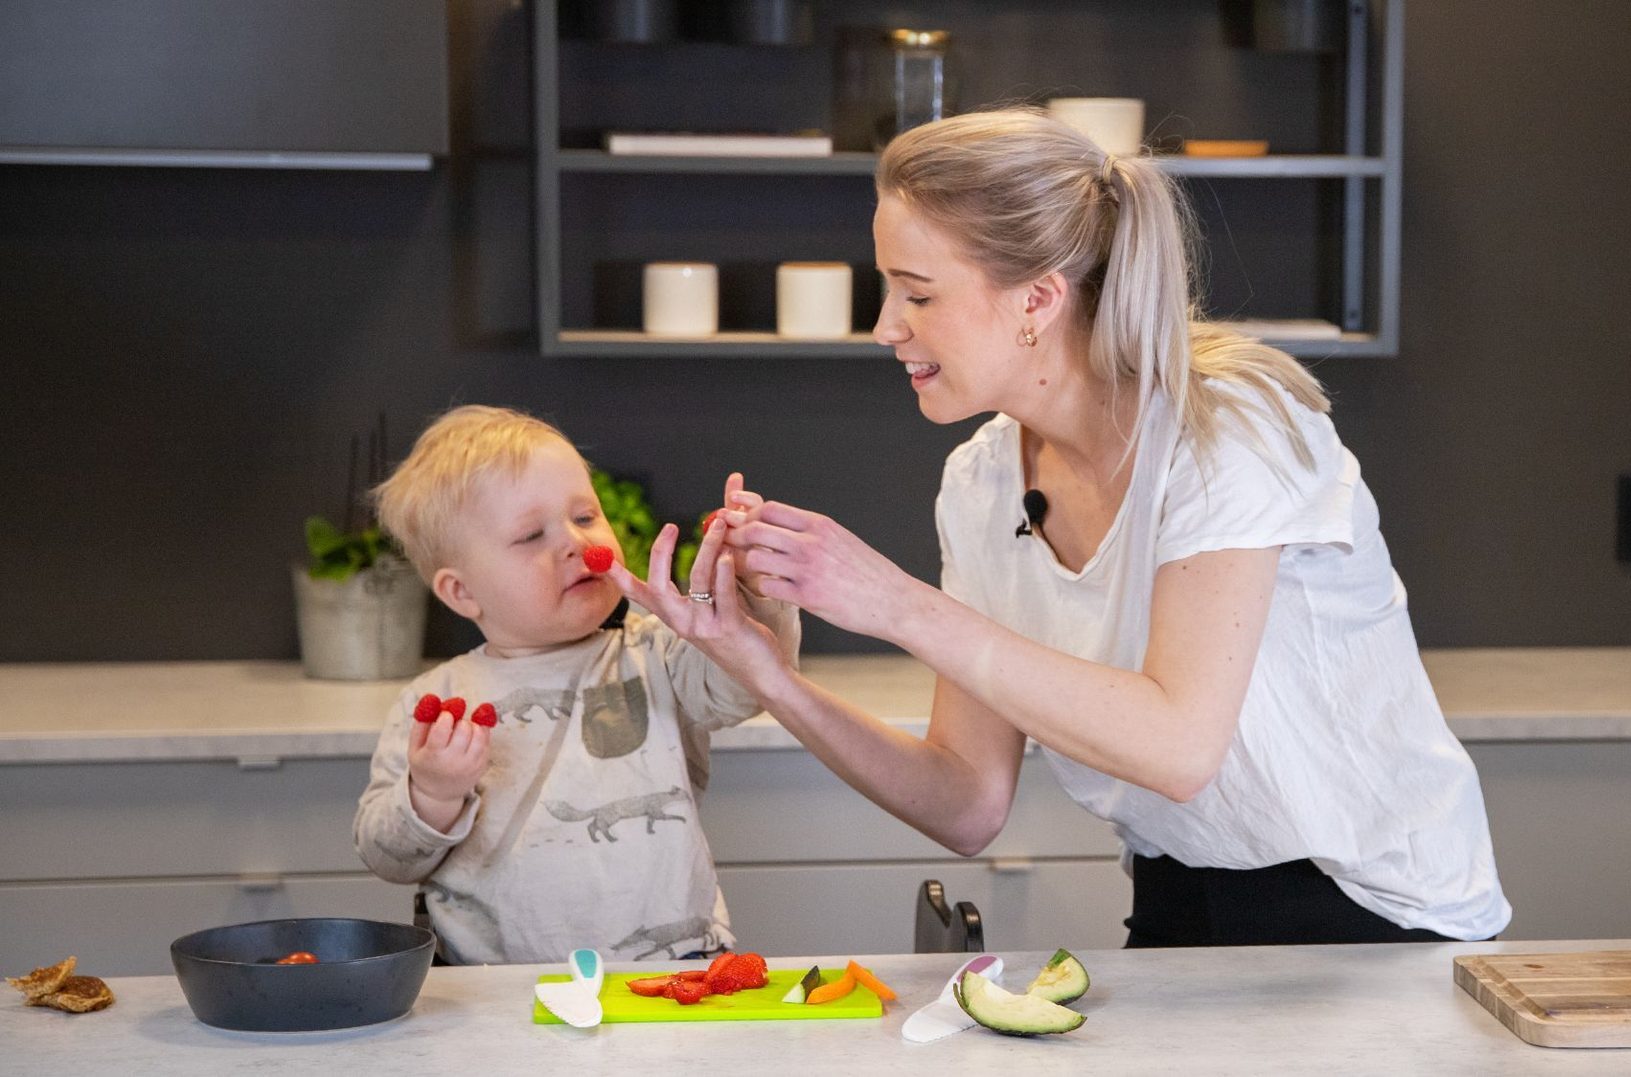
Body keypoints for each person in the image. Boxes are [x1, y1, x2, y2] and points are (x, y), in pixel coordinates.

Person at [628, 109, 1510, 946]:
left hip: (1377, 910)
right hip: (1177, 888)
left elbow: (1177, 747)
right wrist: (769, 676)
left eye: (917, 293)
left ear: (1037, 300)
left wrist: (893, 603)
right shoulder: (981, 482)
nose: (885, 326)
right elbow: (965, 800)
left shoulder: (1227, 427)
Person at [352, 405, 799, 964]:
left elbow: (750, 683)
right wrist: (432, 794)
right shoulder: (434, 706)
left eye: (585, 517)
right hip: (491, 992)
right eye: (529, 536)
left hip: (670, 974)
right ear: (462, 593)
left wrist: (752, 587)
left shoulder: (653, 653)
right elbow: (387, 858)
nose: (571, 541)